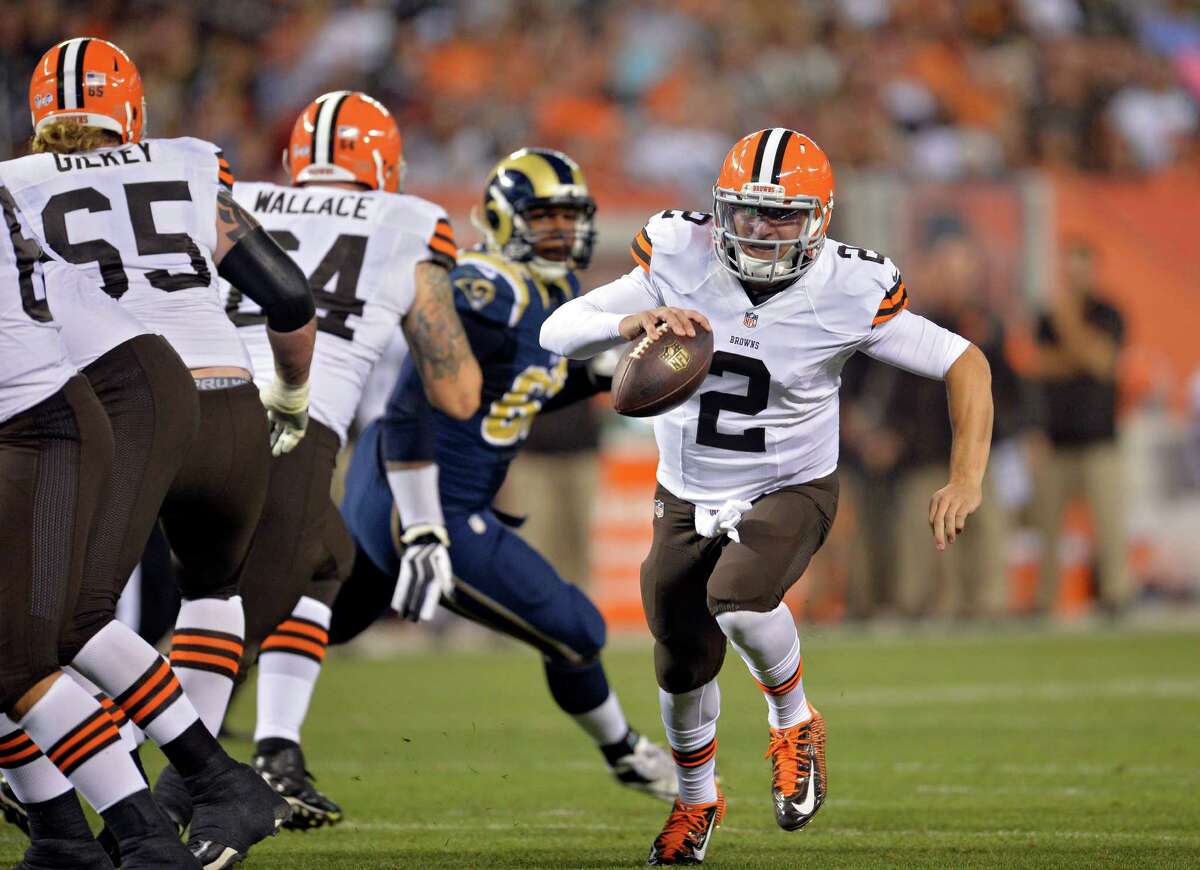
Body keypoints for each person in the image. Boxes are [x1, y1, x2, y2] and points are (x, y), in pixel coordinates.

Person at [540, 128, 994, 865]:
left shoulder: (850, 289)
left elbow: (964, 362)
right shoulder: (679, 256)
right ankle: (696, 804)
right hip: (685, 492)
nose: (759, 229)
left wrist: (967, 474)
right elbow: (558, 329)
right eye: (746, 212)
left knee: (741, 597)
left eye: (782, 215)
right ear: (720, 210)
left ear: (820, 219)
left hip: (790, 484)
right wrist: (631, 321)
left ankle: (795, 721)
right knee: (679, 664)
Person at [0, 37, 317, 868]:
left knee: (63, 617)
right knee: (210, 591)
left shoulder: (15, 183)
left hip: (111, 403)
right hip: (229, 401)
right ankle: (186, 798)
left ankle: (152, 790)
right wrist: (289, 396)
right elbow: (285, 294)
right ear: (131, 110)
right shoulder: (187, 162)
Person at [330, 147, 677, 803]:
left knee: (326, 619)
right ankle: (625, 752)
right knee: (577, 628)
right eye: (543, 217)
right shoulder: (484, 290)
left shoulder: (555, 291)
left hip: (408, 480)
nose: (561, 232)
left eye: (569, 218)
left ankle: (192, 722)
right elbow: (409, 407)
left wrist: (606, 376)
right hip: (423, 492)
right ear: (501, 218)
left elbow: (520, 388)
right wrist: (427, 527)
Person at [214, 90, 478, 829]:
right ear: (386, 165)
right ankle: (165, 781)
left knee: (323, 560)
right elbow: (447, 394)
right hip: (285, 431)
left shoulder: (235, 200)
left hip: (179, 418)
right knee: (214, 617)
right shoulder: (409, 223)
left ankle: (273, 749)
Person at [0, 183, 198, 866]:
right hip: (34, 416)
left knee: (26, 654)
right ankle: (61, 834)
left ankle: (143, 834)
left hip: (35, 426)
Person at [1031, 240, 1128, 616]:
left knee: (1108, 526)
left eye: (1080, 268)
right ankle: (1045, 600)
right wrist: (1079, 355)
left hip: (1100, 440)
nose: (1074, 276)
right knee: (1048, 531)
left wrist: (1069, 323)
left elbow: (1103, 362)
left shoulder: (1109, 313)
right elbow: (1039, 365)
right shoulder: (1045, 318)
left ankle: (1116, 595)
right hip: (1055, 441)